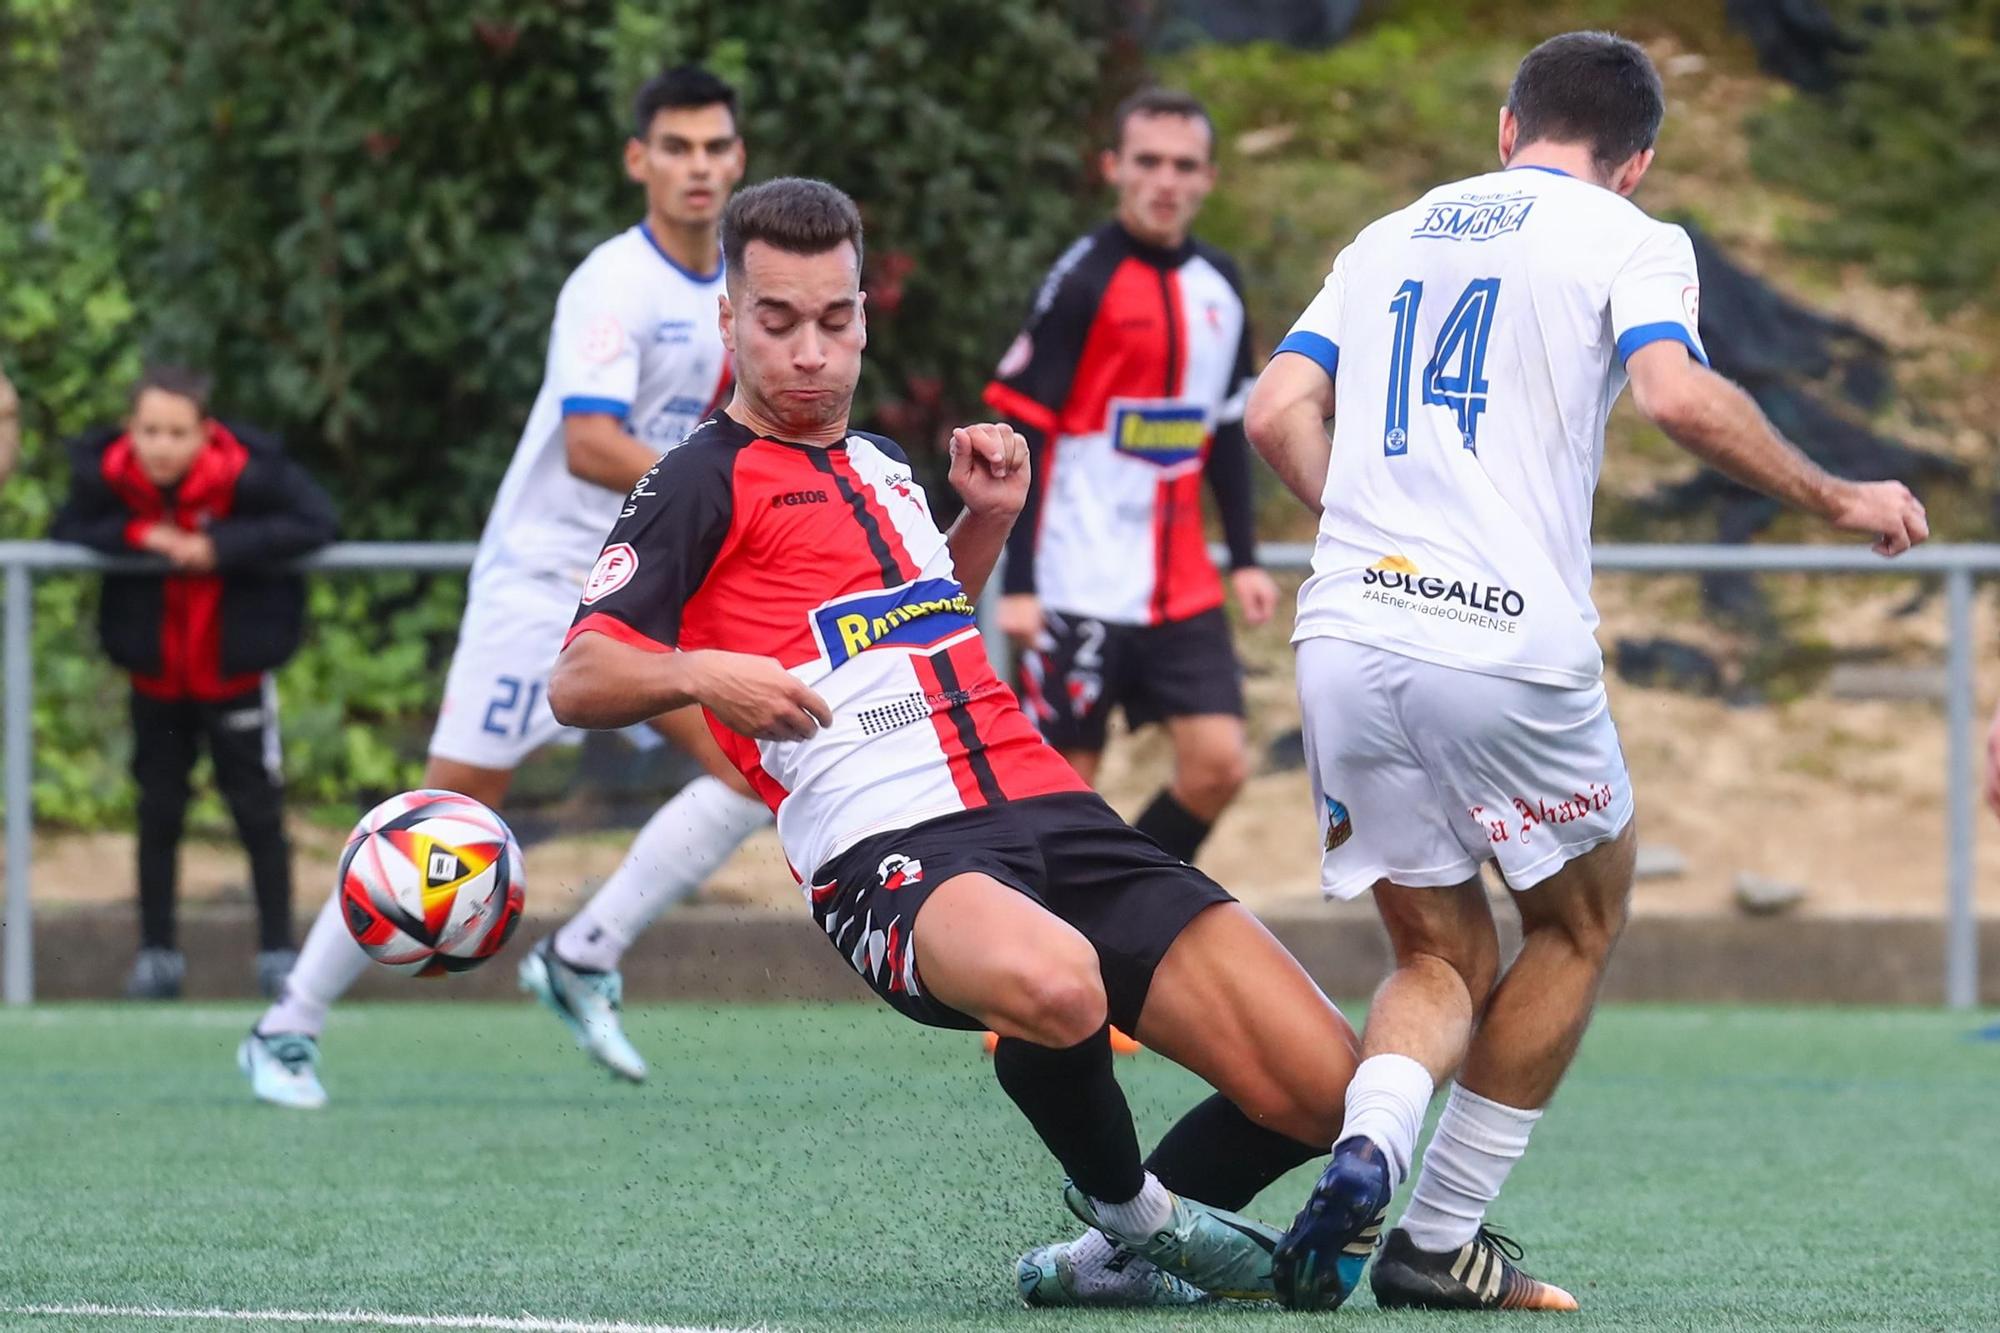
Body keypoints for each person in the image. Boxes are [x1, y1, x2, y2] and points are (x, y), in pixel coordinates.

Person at [552, 175, 1365, 1309]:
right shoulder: (694, 478)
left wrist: (980, 524)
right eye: (775, 321)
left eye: (833, 321)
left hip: (1043, 803)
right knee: (1058, 978)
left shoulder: (885, 464)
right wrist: (700, 671)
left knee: (1327, 1087)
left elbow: (914, 628)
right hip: (887, 845)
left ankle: (1111, 1266)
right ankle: (1138, 1213)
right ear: (730, 322)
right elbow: (579, 674)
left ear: (862, 319)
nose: (807, 352)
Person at [1246, 31, 1930, 1312]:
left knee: (1436, 956)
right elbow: (1673, 397)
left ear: (1506, 129)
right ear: (1636, 163)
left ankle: (1368, 1149)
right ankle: (1434, 1235)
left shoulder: (1391, 231)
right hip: (1501, 642)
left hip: (1345, 631)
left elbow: (1274, 410)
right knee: (1575, 918)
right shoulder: (1628, 236)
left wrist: (1377, 539)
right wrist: (1835, 493)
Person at [238, 65, 763, 1108]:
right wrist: (734, 488)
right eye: (675, 147)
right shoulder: (612, 283)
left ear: (737, 159)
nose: (697, 167)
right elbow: (589, 442)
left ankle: (580, 957)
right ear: (638, 160)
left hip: (649, 583)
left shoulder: (739, 295)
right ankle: (284, 1024)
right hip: (543, 584)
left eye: (715, 148)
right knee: (444, 814)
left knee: (757, 768)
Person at [983, 88, 1278, 869]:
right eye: (1148, 162)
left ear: (1209, 177)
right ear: (1114, 168)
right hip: (1076, 577)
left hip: (1179, 582)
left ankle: (1124, 899)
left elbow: (1222, 429)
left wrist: (1244, 557)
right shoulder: (1081, 280)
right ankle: (1036, 946)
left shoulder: (1220, 282)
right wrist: (1019, 581)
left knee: (1219, 765)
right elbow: (1026, 434)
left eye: (1184, 165)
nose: (1165, 181)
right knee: (1063, 790)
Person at [53, 367, 336, 1001]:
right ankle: (157, 956)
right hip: (155, 681)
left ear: (205, 433)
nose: (161, 446)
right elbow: (67, 528)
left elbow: (318, 522)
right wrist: (139, 536)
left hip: (234, 676)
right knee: (158, 812)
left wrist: (220, 546)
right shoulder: (105, 475)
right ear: (131, 429)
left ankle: (277, 956)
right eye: (150, 430)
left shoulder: (252, 474)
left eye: (177, 432)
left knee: (257, 812)